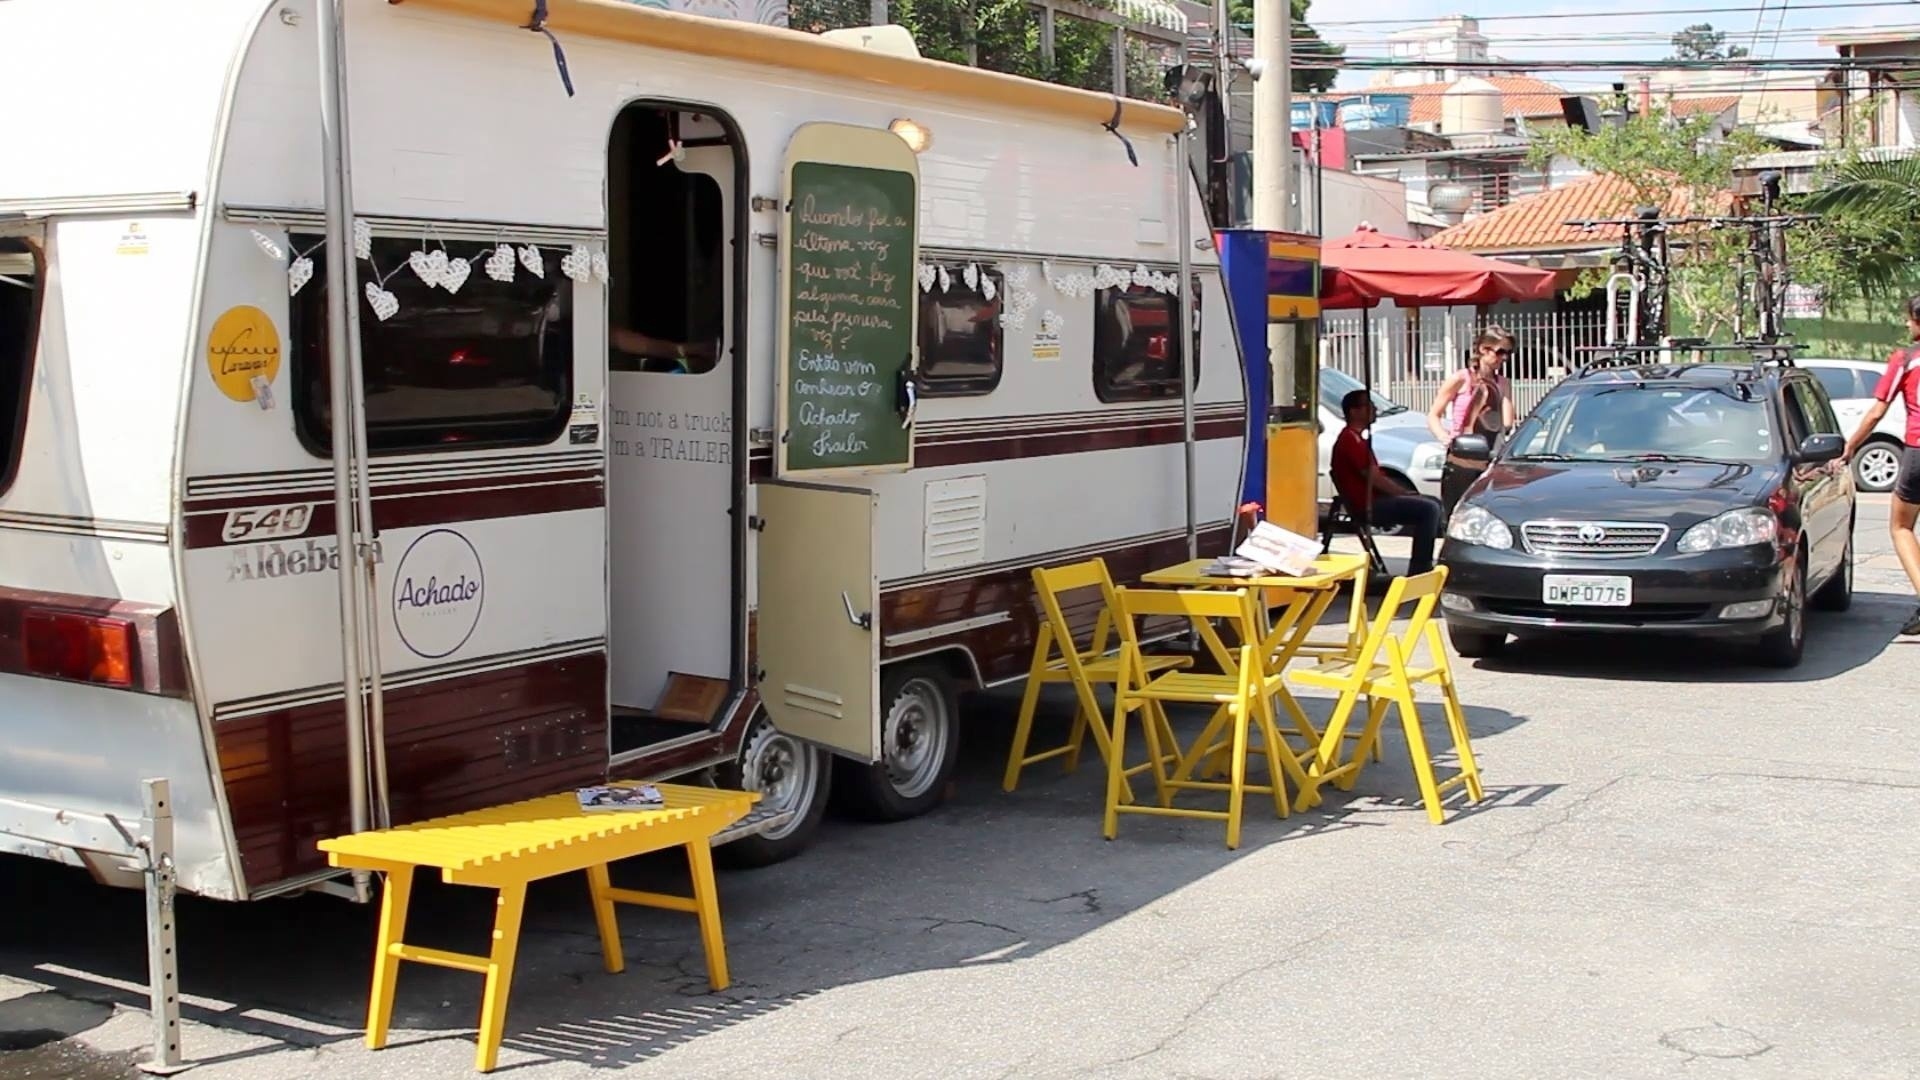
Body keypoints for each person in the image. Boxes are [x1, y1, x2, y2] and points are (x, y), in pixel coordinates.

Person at [1842, 295, 1920, 635]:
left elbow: (1877, 411)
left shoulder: (1905, 359)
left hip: (1918, 451)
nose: (1906, 324)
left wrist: (1850, 446)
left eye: (1909, 319)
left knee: (1901, 526)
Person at [1331, 388, 1445, 575]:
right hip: (1369, 505)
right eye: (1369, 406)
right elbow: (1374, 478)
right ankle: (1420, 568)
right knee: (1429, 509)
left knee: (1433, 504)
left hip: (1374, 500)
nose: (1374, 409)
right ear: (1354, 411)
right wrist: (1402, 492)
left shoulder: (1357, 438)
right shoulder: (1349, 440)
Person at [1428, 327, 1517, 446]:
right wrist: (1443, 436)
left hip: (1492, 448)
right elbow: (1433, 415)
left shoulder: (1503, 383)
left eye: (1508, 353)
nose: (1504, 358)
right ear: (1483, 349)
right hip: (1464, 447)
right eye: (1500, 352)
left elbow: (1507, 423)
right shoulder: (1460, 379)